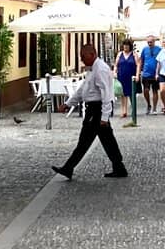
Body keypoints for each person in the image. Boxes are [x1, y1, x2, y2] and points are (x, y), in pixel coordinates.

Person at [52, 43, 128, 180]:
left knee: (85, 140)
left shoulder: (101, 69)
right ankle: (119, 167)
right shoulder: (92, 69)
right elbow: (83, 89)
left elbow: (106, 94)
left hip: (96, 109)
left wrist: (104, 116)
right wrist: (68, 103)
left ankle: (69, 168)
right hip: (93, 109)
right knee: (107, 140)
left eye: (83, 56)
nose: (81, 59)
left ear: (92, 55)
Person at [136, 34, 161, 115]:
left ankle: (154, 108)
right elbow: (141, 60)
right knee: (146, 90)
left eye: (151, 42)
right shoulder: (144, 49)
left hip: (155, 74)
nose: (149, 44)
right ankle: (148, 105)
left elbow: (161, 61)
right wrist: (139, 72)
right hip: (146, 73)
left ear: (154, 41)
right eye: (148, 42)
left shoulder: (159, 49)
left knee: (155, 91)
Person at [113, 39, 137, 118]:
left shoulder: (134, 54)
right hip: (121, 75)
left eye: (127, 45)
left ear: (130, 46)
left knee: (131, 94)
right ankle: (124, 111)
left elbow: (138, 64)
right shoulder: (120, 54)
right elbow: (116, 65)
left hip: (131, 76)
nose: (125, 47)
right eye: (124, 45)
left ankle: (134, 110)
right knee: (123, 94)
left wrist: (137, 75)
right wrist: (115, 72)